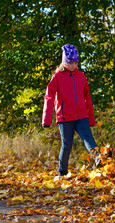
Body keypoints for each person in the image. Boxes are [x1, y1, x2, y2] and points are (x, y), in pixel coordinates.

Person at [42, 44, 100, 177]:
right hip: (65, 118)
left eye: (75, 62)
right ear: (64, 62)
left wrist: (91, 118)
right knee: (67, 144)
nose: (73, 65)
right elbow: (49, 96)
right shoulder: (57, 77)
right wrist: (46, 120)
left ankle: (99, 159)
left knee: (89, 140)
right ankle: (62, 171)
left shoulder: (81, 76)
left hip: (81, 116)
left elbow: (87, 97)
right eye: (70, 62)